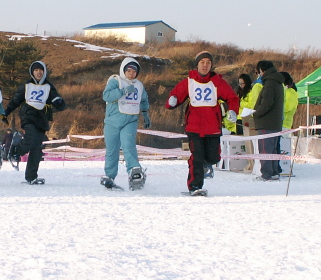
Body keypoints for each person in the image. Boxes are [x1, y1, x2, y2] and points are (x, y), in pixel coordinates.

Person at [165, 51, 239, 195]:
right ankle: (195, 186)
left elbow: (233, 98)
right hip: (194, 127)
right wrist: (172, 101)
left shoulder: (217, 82)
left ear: (211, 66)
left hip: (213, 127)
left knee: (213, 157)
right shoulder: (189, 81)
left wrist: (233, 111)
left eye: (208, 63)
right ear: (197, 64)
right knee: (197, 157)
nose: (205, 65)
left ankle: (206, 165)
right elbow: (175, 95)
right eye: (202, 62)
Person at [2, 61, 66, 185]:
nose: (38, 72)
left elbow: (56, 100)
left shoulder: (48, 86)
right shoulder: (26, 85)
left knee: (37, 148)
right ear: (32, 72)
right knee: (30, 139)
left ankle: (31, 177)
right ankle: (15, 151)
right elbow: (15, 100)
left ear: (44, 72)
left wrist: (60, 103)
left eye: (40, 70)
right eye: (36, 70)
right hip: (28, 116)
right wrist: (6, 112)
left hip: (42, 119)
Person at [101, 57, 151, 190]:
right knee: (112, 150)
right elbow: (106, 96)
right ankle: (110, 176)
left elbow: (144, 100)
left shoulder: (139, 85)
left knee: (128, 145)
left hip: (130, 120)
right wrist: (123, 91)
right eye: (128, 70)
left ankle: (134, 170)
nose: (131, 73)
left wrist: (145, 114)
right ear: (124, 70)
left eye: (134, 71)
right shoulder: (115, 80)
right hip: (112, 121)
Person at [247, 61, 285, 181]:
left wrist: (255, 114)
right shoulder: (278, 83)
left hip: (266, 122)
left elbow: (266, 104)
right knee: (273, 149)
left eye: (258, 72)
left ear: (262, 70)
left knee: (265, 149)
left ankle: (266, 174)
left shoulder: (269, 83)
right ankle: (274, 171)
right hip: (275, 122)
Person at [280, 71, 299, 175]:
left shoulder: (291, 92)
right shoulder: (284, 91)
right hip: (280, 123)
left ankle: (285, 167)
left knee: (283, 146)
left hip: (285, 124)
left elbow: (287, 107)